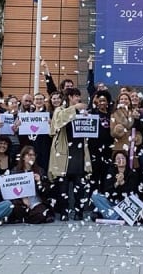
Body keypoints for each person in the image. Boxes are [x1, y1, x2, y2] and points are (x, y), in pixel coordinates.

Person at [48, 88, 91, 220]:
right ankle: (64, 213)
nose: (78, 99)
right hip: (64, 153)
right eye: (76, 96)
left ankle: (79, 212)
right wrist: (74, 109)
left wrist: (86, 117)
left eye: (79, 96)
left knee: (80, 185)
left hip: (79, 153)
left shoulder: (82, 111)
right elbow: (58, 121)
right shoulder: (59, 110)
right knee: (63, 187)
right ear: (70, 97)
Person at [8, 145, 54, 224]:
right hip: (22, 202)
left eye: (33, 155)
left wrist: (39, 181)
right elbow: (11, 189)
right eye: (29, 155)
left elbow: (46, 191)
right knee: (15, 207)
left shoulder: (40, 170)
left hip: (36, 202)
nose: (31, 157)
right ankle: (26, 217)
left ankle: (25, 219)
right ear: (23, 157)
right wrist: (22, 198)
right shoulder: (15, 171)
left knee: (41, 213)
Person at [90, 150, 140, 220]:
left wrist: (122, 183)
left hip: (126, 203)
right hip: (112, 202)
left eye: (123, 158)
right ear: (115, 162)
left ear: (126, 160)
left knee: (97, 212)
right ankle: (115, 215)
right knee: (95, 196)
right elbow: (106, 191)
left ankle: (111, 215)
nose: (121, 160)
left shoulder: (132, 173)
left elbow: (132, 191)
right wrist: (116, 184)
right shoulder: (111, 172)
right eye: (118, 159)